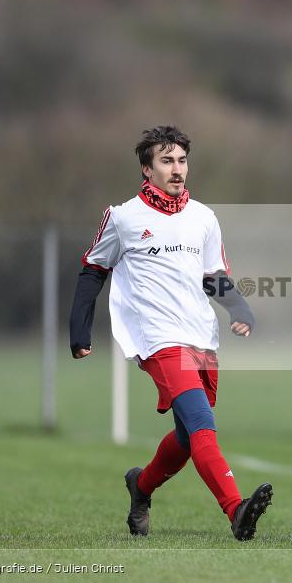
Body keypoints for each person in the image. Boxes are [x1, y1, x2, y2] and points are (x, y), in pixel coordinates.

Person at [69, 125, 272, 541]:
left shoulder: (204, 217)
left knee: (185, 436)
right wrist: (79, 328)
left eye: (181, 160)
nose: (177, 169)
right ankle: (236, 510)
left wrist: (240, 308)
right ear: (147, 169)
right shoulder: (123, 217)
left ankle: (141, 486)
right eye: (166, 161)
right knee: (201, 423)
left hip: (200, 334)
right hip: (156, 337)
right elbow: (93, 269)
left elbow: (213, 275)